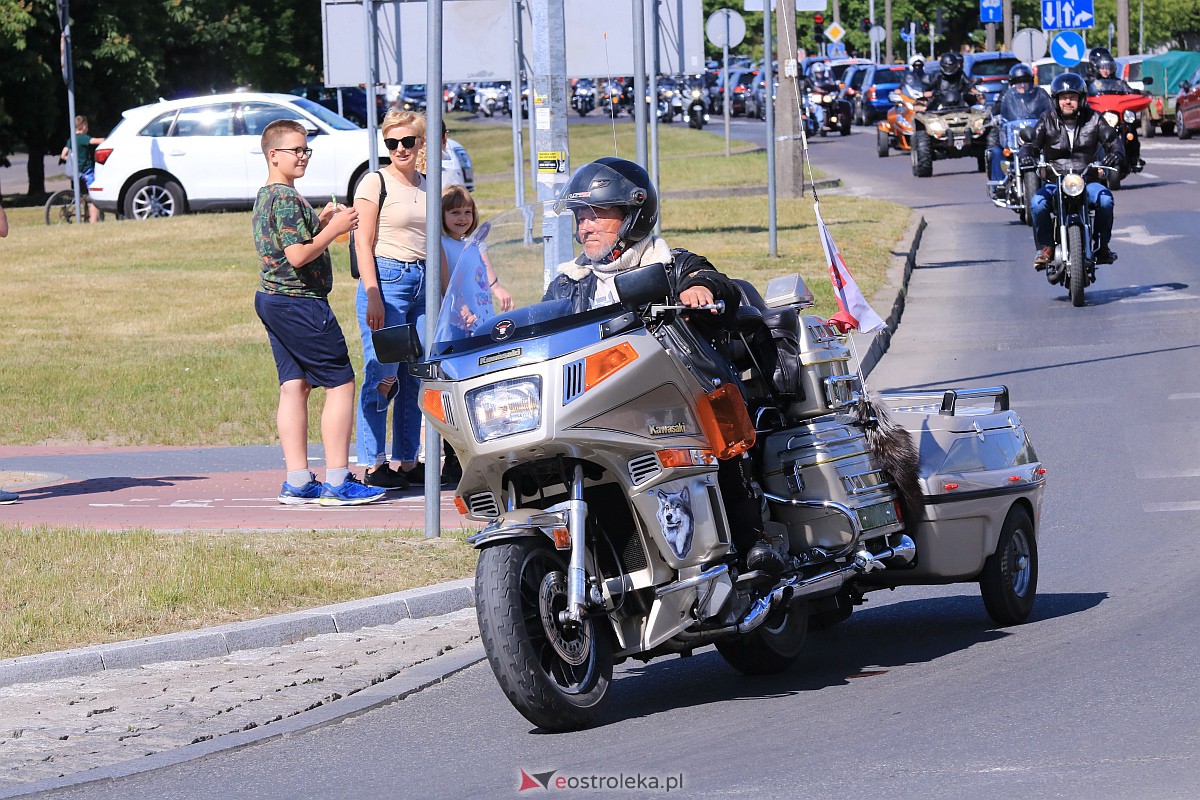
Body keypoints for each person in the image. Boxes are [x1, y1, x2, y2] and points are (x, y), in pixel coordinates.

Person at [545, 157, 787, 576]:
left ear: (633, 217)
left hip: (674, 393)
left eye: (598, 215)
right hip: (593, 403)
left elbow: (718, 285)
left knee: (720, 426)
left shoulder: (670, 264)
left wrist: (698, 290)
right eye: (581, 216)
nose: (585, 226)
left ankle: (751, 537)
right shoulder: (569, 282)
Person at [252, 119, 385, 507]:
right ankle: (339, 481)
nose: (303, 156)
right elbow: (297, 254)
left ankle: (297, 481)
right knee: (341, 383)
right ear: (273, 154)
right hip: (301, 303)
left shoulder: (268, 195)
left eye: (306, 149)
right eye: (296, 150)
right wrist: (335, 229)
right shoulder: (287, 198)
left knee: (294, 386)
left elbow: (285, 242)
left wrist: (321, 222)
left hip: (272, 299)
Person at [352, 109, 448, 490]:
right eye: (392, 143)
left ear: (420, 142)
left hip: (425, 280)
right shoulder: (375, 183)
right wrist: (373, 294)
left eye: (408, 141)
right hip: (387, 280)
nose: (400, 149)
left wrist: (447, 294)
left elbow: (434, 241)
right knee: (383, 372)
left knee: (418, 372)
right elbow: (362, 242)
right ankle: (374, 463)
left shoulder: (430, 184)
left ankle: (408, 461)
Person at [1021, 73, 1124, 268]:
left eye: (1073, 97)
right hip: (1055, 181)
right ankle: (1046, 247)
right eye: (1063, 97)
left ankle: (1102, 247)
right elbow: (1032, 143)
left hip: (1088, 179)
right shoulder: (1047, 119)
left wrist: (1116, 153)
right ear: (1056, 100)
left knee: (1105, 200)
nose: (1068, 102)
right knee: (1037, 203)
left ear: (1081, 99)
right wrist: (1027, 154)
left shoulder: (1093, 118)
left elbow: (1113, 141)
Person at [986, 63, 1053, 198]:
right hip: (1013, 136)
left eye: (1025, 82)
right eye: (1018, 82)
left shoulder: (1040, 94)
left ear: (1030, 82)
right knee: (996, 152)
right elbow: (997, 109)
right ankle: (1000, 185)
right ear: (1012, 84)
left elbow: (1050, 108)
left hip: (1035, 136)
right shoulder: (1006, 96)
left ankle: (1053, 182)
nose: (1022, 85)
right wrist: (991, 118)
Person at [59, 115, 104, 223]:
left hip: (75, 173)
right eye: (87, 126)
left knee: (83, 195)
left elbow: (63, 155)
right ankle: (93, 222)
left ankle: (83, 214)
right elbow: (96, 141)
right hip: (86, 171)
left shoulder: (71, 139)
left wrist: (73, 160)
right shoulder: (83, 138)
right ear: (83, 126)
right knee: (95, 196)